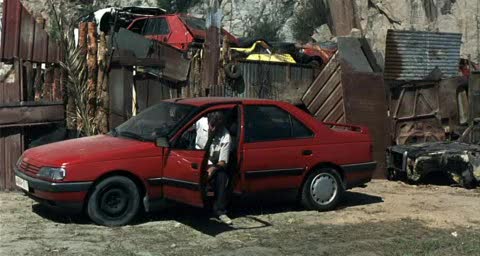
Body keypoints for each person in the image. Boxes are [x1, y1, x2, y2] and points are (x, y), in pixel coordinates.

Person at [195, 111, 233, 225]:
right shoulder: (200, 122)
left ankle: (220, 210)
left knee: (222, 177)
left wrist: (212, 169)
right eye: (212, 125)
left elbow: (223, 162)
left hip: (213, 164)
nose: (213, 129)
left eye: (217, 127)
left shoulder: (225, 136)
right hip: (195, 157)